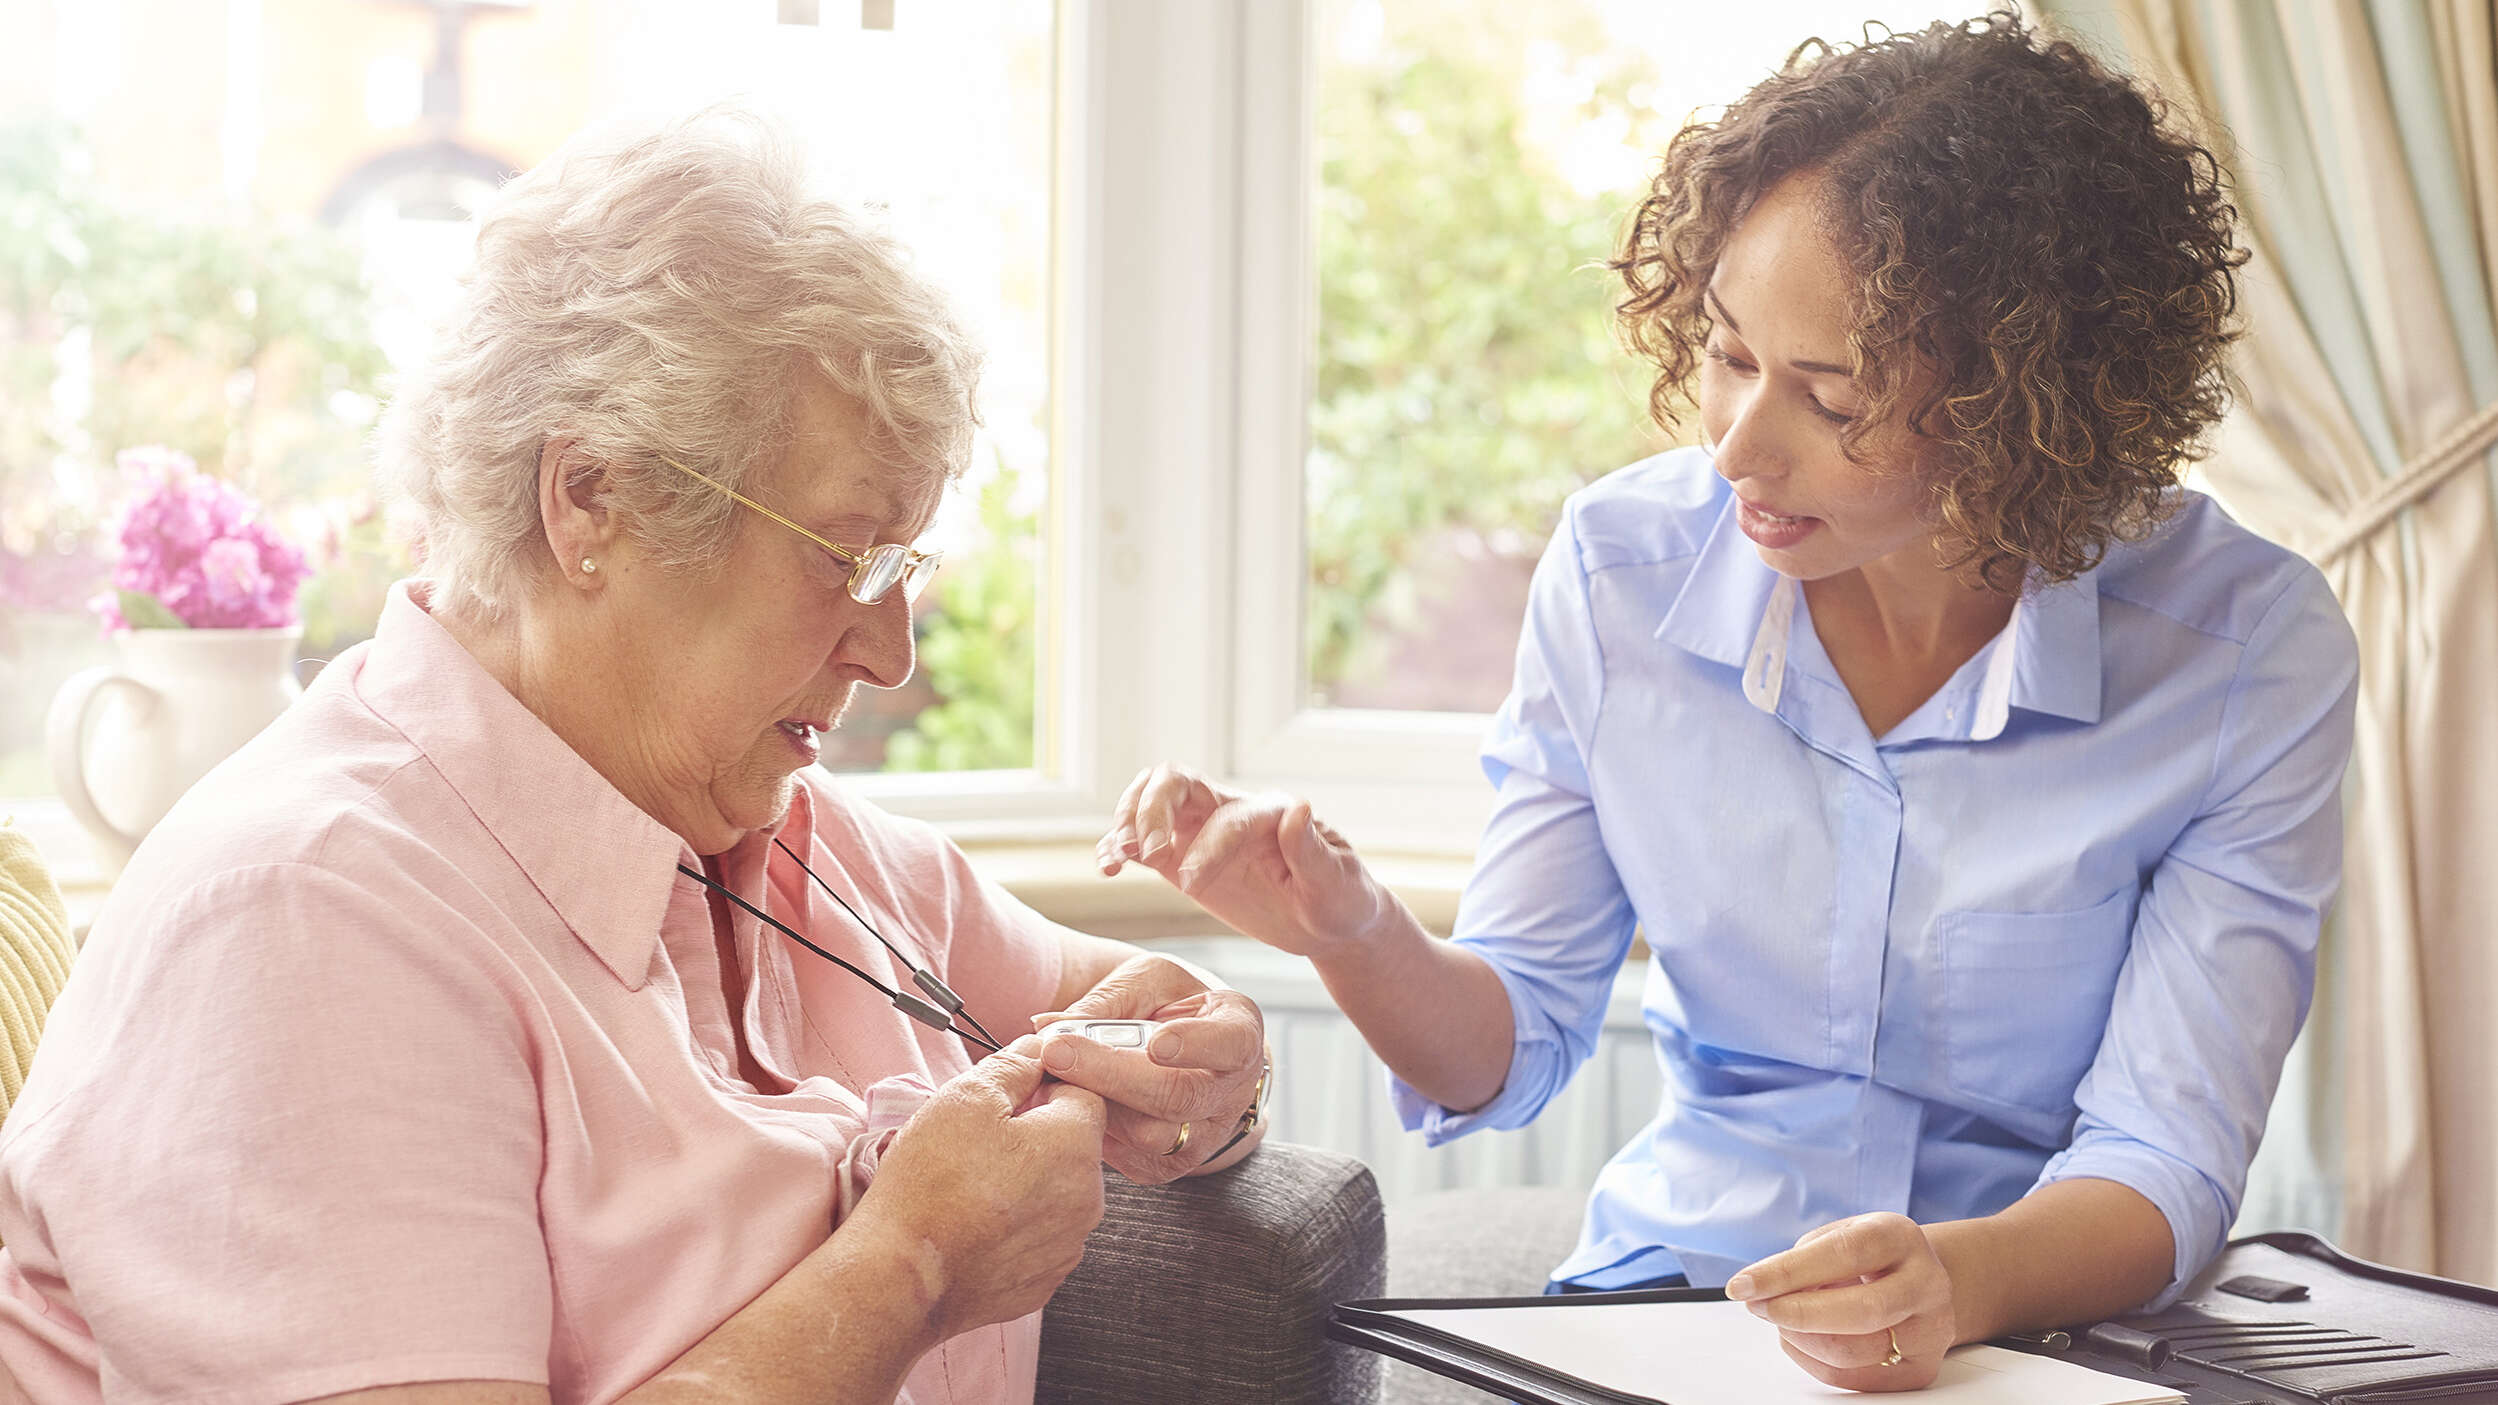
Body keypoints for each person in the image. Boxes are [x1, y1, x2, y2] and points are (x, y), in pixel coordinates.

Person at [1099, 13, 2357, 1394]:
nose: (1737, 445)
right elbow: (1503, 1047)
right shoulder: (1618, 570)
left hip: (2040, 1328)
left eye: (1830, 396)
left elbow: (2161, 1154)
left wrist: (1955, 1278)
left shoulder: (2242, 649)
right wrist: (1344, 926)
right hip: (1677, 1298)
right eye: (1724, 352)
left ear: (2022, 403)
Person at [0, 109, 1267, 1405]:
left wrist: (1212, 1061)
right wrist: (913, 1262)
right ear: (590, 499)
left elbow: (1128, 1001)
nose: (890, 651)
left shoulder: (787, 828)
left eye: (906, 565)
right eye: (845, 554)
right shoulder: (303, 916)